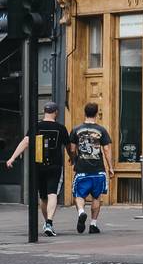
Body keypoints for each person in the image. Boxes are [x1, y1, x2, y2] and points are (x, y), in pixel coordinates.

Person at [6, 101, 71, 236]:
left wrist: (12, 158)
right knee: (52, 194)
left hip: (39, 166)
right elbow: (69, 147)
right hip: (55, 166)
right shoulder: (61, 128)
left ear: (45, 111)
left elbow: (25, 142)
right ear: (56, 112)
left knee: (42, 197)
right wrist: (72, 157)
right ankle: (49, 222)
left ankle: (46, 222)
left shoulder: (36, 126)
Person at [68, 102, 113, 235]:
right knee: (96, 196)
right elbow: (106, 149)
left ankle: (81, 212)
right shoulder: (102, 130)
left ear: (85, 112)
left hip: (82, 169)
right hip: (98, 169)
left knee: (78, 194)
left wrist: (73, 158)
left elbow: (72, 148)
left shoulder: (76, 129)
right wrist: (110, 167)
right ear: (96, 113)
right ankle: (93, 224)